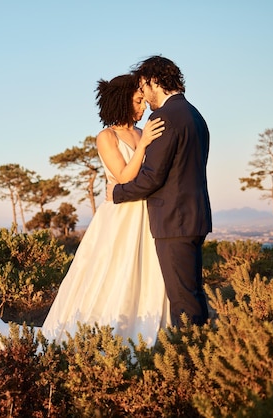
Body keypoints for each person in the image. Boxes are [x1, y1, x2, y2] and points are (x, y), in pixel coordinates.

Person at [0, 73, 170, 348]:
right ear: (123, 101)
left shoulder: (143, 132)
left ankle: (147, 331)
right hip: (119, 216)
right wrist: (144, 146)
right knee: (113, 272)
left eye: (144, 101)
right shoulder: (106, 137)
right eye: (138, 101)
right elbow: (123, 177)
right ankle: (108, 334)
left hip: (144, 213)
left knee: (146, 271)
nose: (143, 108)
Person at [108, 56, 212, 326]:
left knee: (182, 300)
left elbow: (153, 177)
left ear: (155, 82)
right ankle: (204, 348)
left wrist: (117, 194)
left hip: (173, 220)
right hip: (194, 216)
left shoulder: (164, 117)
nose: (143, 95)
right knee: (193, 292)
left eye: (143, 87)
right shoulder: (194, 115)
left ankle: (191, 358)